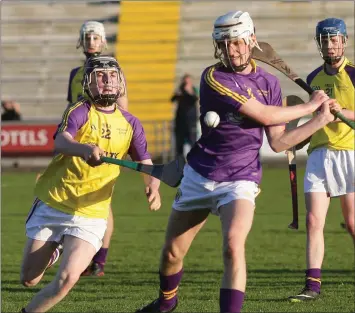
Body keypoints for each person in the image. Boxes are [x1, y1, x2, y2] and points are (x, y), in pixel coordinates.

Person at [135, 11, 336, 313]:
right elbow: (265, 115)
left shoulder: (269, 82)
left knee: (232, 246)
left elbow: (279, 141)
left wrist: (319, 121)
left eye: (238, 43)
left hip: (241, 178)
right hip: (199, 174)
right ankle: (166, 303)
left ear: (251, 40)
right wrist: (311, 106)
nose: (232, 51)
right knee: (172, 253)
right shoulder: (213, 77)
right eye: (225, 45)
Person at [20, 55, 161, 313]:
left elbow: (145, 162)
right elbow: (60, 142)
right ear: (88, 83)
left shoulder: (131, 124)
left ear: (121, 83)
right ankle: (56, 247)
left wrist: (153, 185)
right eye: (100, 76)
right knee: (29, 279)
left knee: (66, 280)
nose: (107, 81)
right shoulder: (80, 111)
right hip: (55, 201)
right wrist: (83, 149)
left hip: (92, 213)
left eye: (112, 76)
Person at [289, 18, 354, 302]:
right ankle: (312, 285)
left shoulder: (353, 74)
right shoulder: (314, 78)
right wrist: (298, 138)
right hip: (318, 155)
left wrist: (342, 111)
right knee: (314, 220)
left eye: (334, 39)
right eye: (325, 40)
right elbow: (316, 120)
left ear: (345, 41)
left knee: (352, 223)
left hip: (348, 153)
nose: (330, 44)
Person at [68, 21, 128, 276]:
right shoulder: (74, 73)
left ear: (104, 41)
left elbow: (124, 110)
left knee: (103, 203)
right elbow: (69, 109)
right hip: (78, 144)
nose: (92, 41)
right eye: (87, 37)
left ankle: (98, 261)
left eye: (96, 37)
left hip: (103, 142)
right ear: (81, 41)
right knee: (73, 202)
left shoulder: (113, 70)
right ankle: (81, 257)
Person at [170, 74, 199, 157]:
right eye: (185, 82)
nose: (186, 83)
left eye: (188, 82)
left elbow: (195, 99)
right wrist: (178, 92)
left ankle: (194, 162)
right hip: (180, 122)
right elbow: (172, 99)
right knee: (179, 144)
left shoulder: (193, 90)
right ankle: (179, 163)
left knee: (193, 143)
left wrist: (189, 91)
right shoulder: (180, 91)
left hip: (191, 122)